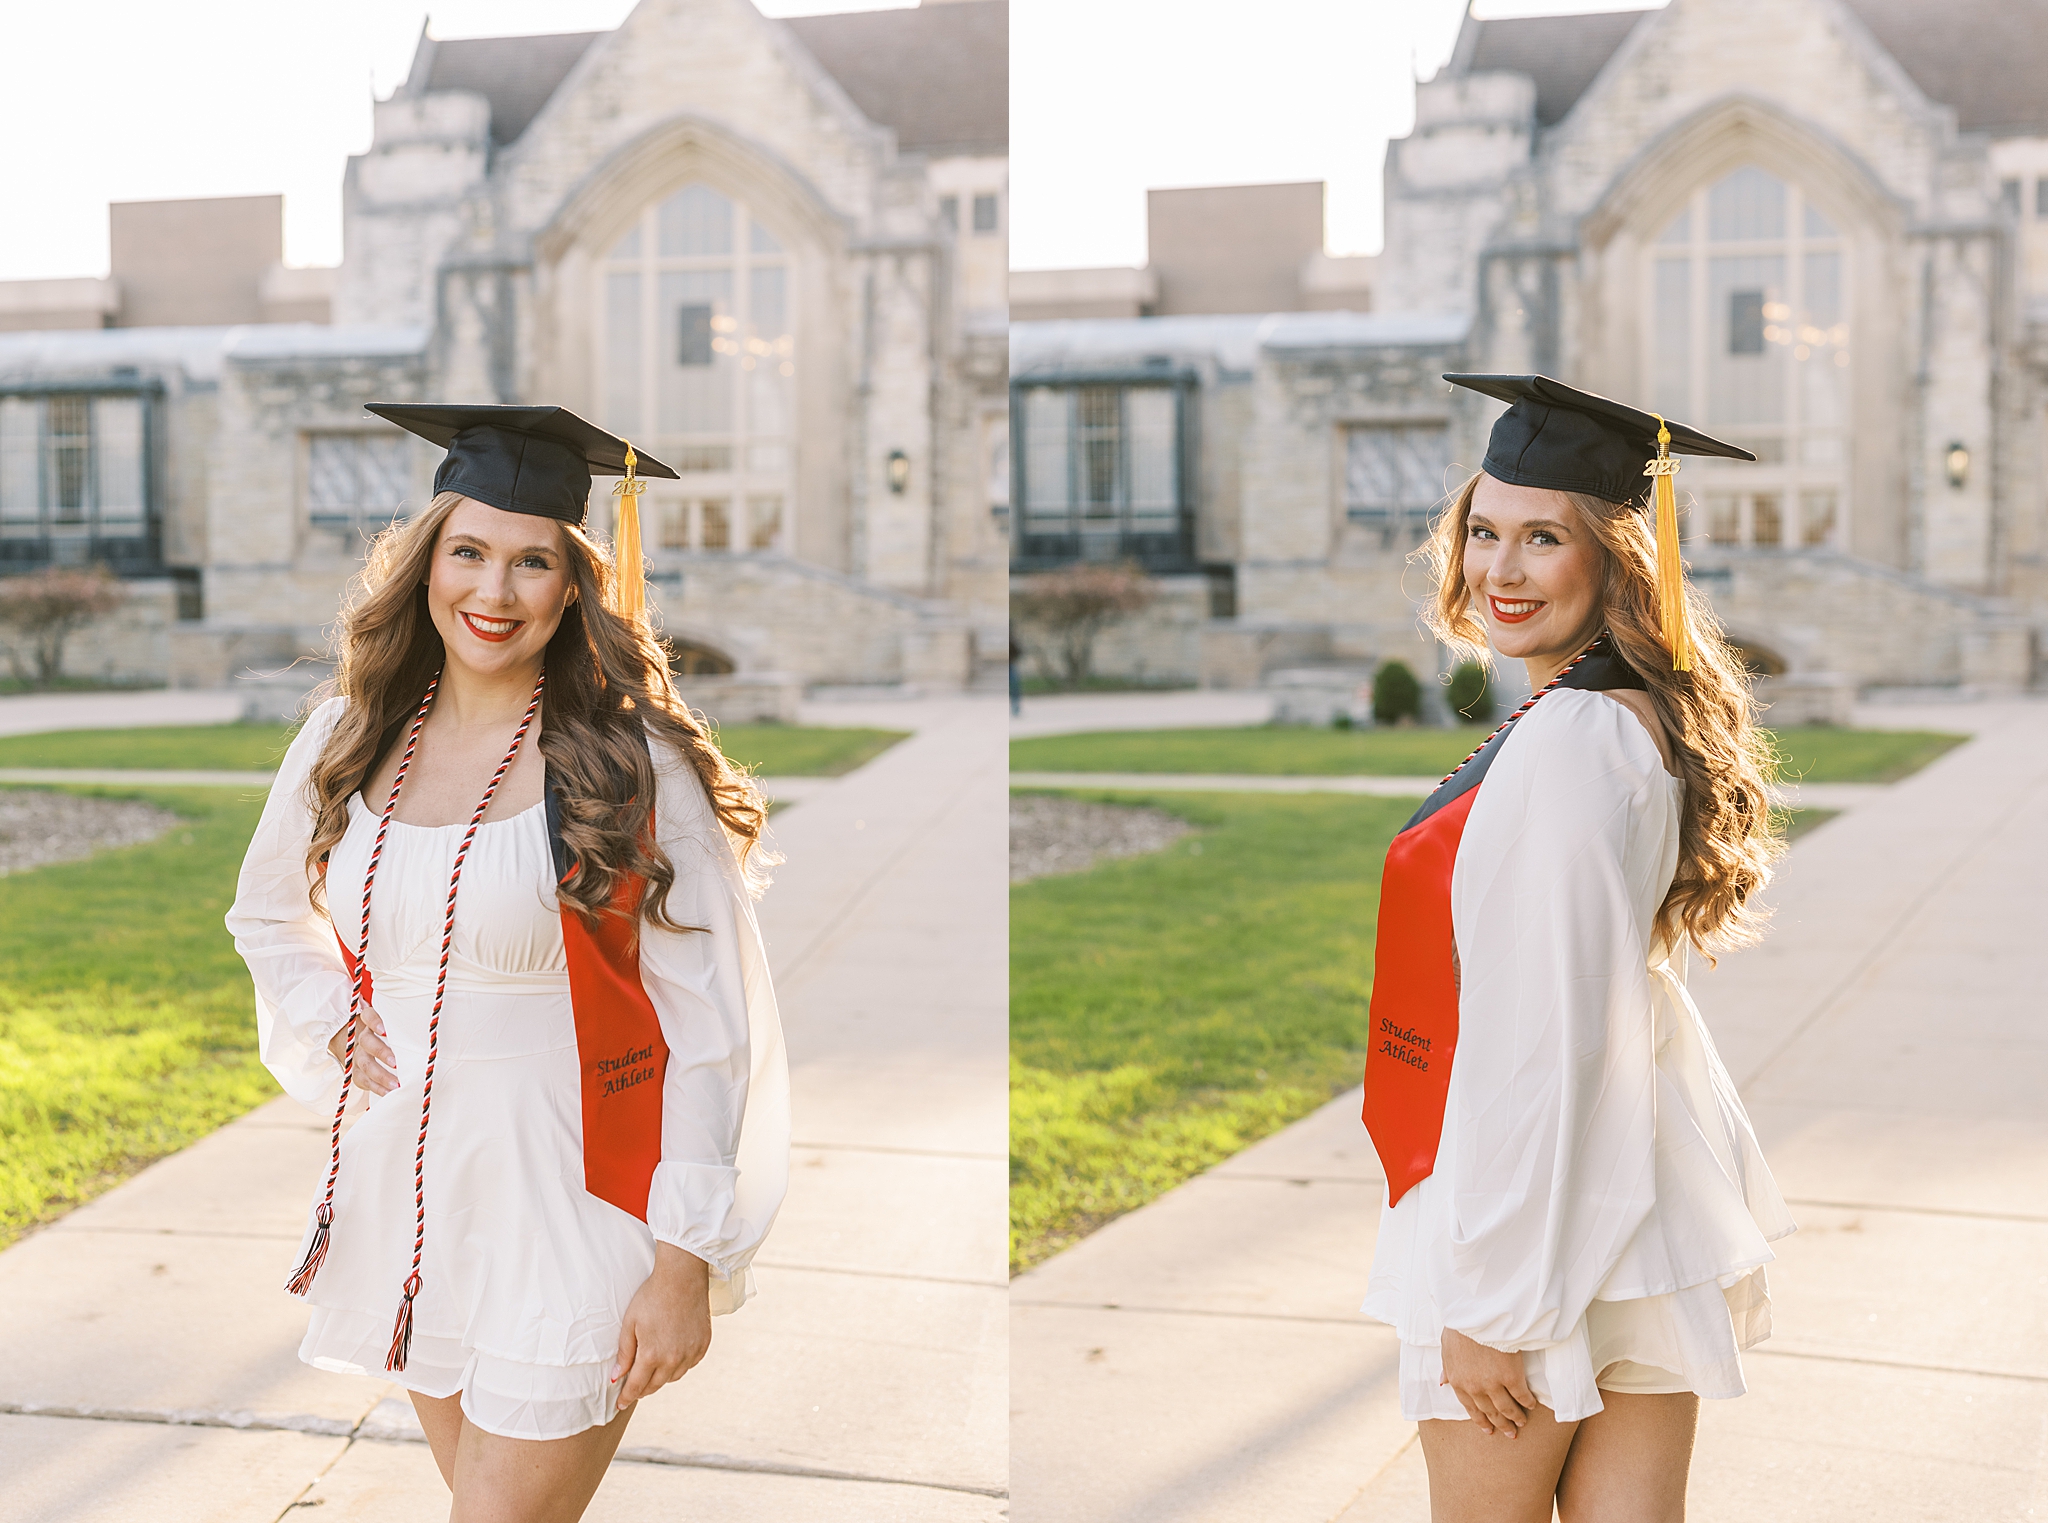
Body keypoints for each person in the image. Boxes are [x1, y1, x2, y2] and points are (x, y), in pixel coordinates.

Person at [227, 403, 789, 1523]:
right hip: (414, 1199)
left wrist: (683, 1259)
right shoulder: (348, 732)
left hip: (578, 1197)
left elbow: (710, 1025)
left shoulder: (627, 761)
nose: (495, 590)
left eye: (533, 561)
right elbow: (265, 912)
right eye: (469, 552)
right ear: (425, 563)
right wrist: (334, 1011)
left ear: (574, 585)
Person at [1359, 375, 1795, 1521]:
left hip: (1530, 1227)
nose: (1498, 569)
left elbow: (1545, 1043)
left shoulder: (1570, 742)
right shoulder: (1615, 713)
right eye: (1482, 530)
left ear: (1613, 556)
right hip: (1623, 1206)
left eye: (1541, 536)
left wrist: (1491, 1303)